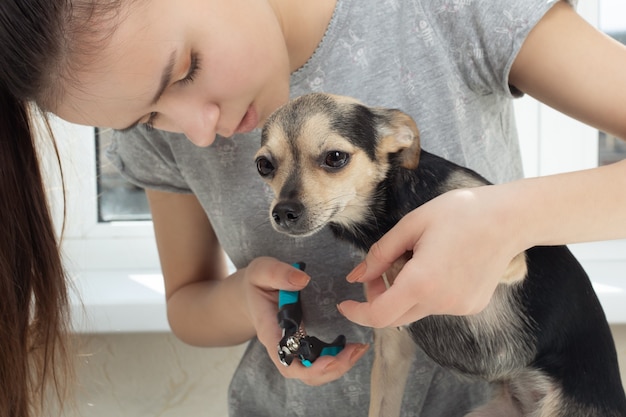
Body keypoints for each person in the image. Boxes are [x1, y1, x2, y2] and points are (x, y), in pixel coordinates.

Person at [2, 0, 626, 416]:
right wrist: (244, 296)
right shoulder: (168, 137)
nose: (197, 130)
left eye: (187, 69)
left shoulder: (445, 11)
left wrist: (506, 217)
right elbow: (187, 304)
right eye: (148, 117)